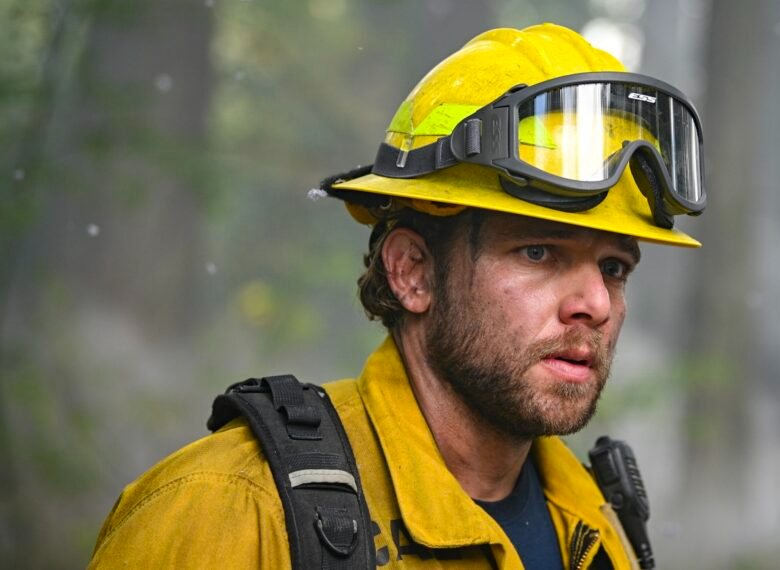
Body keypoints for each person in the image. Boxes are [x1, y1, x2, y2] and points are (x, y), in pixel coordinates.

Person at [89, 23, 705, 569]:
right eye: (539, 253)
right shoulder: (231, 513)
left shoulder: (597, 526)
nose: (596, 303)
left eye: (615, 267)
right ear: (413, 273)